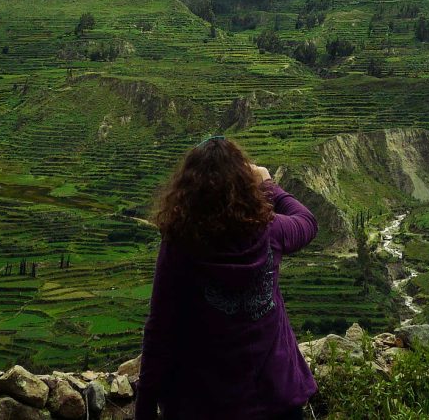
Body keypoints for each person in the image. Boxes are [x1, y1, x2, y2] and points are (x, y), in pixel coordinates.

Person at [136, 136, 317, 420]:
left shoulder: (181, 243)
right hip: (274, 397)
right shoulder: (270, 232)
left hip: (204, 402)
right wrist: (268, 186)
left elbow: (160, 326)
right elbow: (307, 221)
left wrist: (145, 405)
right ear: (245, 185)